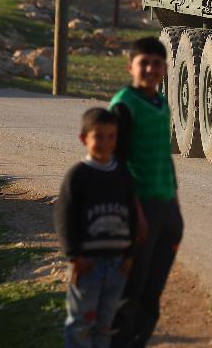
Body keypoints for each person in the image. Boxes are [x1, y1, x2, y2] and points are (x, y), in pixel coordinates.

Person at [109, 37, 181, 348]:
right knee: (130, 290)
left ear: (164, 69)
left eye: (157, 63)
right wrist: (135, 214)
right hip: (138, 210)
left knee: (152, 291)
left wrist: (175, 209)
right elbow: (117, 164)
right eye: (144, 63)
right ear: (131, 67)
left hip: (165, 208)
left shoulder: (160, 102)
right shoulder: (124, 105)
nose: (151, 69)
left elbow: (164, 155)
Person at [55, 107, 140, 348]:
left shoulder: (123, 174)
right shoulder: (78, 176)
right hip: (88, 265)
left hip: (117, 265)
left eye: (111, 136)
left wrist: (130, 255)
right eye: (99, 136)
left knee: (105, 325)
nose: (105, 143)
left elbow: (132, 215)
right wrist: (74, 256)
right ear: (84, 138)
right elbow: (64, 217)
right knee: (81, 324)